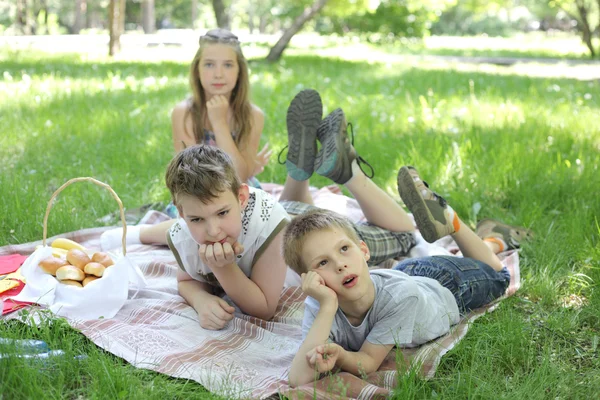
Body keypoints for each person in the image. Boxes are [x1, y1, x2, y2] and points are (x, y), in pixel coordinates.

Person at [159, 88, 418, 330]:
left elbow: (264, 309)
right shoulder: (185, 231)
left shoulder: (268, 226)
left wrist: (223, 267)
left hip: (309, 231)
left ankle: (349, 171)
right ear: (181, 215)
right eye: (196, 219)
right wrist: (200, 299)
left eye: (222, 213)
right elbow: (187, 278)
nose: (213, 231)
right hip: (285, 210)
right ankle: (298, 170)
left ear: (241, 198)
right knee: (286, 211)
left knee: (405, 234)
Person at [284, 165, 525, 387]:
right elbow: (298, 378)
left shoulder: (400, 299)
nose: (340, 265)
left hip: (449, 284)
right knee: (472, 264)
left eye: (345, 249)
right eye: (323, 262)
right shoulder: (320, 302)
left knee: (497, 276)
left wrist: (342, 356)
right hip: (404, 276)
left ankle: (466, 228)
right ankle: (481, 241)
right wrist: (327, 306)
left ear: (364, 250)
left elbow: (368, 361)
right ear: (309, 279)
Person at [101, 28, 271, 250]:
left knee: (261, 223)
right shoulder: (184, 113)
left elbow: (240, 176)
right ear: (197, 70)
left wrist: (219, 123)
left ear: (240, 71)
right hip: (195, 192)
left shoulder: (252, 116)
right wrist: (243, 163)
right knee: (197, 222)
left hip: (235, 195)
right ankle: (142, 235)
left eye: (228, 65)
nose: (218, 73)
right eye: (209, 64)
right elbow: (191, 175)